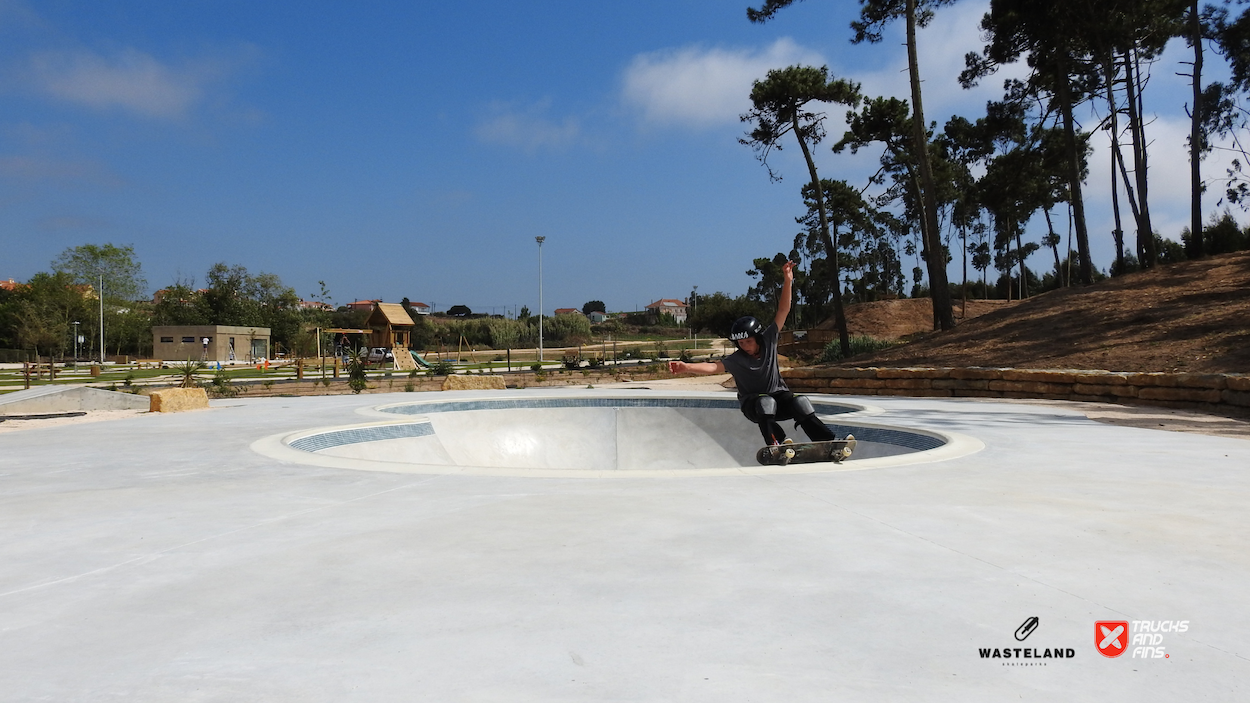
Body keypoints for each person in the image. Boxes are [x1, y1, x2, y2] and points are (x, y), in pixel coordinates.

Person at [669, 260, 836, 446]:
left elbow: (783, 310)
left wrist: (788, 280)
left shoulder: (769, 339)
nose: (745, 346)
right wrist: (686, 367)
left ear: (757, 338)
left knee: (801, 402)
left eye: (748, 341)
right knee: (765, 402)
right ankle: (776, 443)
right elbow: (713, 367)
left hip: (779, 399)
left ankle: (827, 441)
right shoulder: (738, 359)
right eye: (741, 343)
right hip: (753, 406)